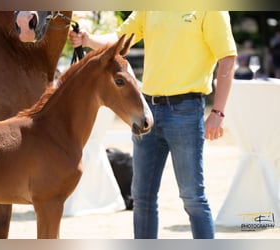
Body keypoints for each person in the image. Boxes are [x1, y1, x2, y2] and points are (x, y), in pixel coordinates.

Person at [69, 11, 237, 239]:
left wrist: (218, 111)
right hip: (147, 110)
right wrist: (88, 40)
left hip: (186, 110)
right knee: (142, 197)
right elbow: (119, 38)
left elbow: (227, 57)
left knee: (193, 197)